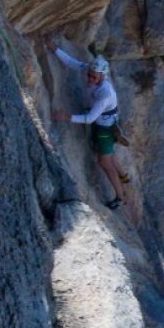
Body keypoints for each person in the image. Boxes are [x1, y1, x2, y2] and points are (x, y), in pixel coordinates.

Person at [47, 37, 127, 209]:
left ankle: (120, 196)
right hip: (108, 122)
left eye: (93, 77)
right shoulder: (93, 71)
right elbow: (71, 62)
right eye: (89, 75)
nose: (89, 79)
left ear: (102, 76)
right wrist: (54, 48)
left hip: (103, 128)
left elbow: (90, 118)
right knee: (111, 155)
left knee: (104, 162)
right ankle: (124, 177)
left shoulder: (104, 93)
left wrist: (66, 117)